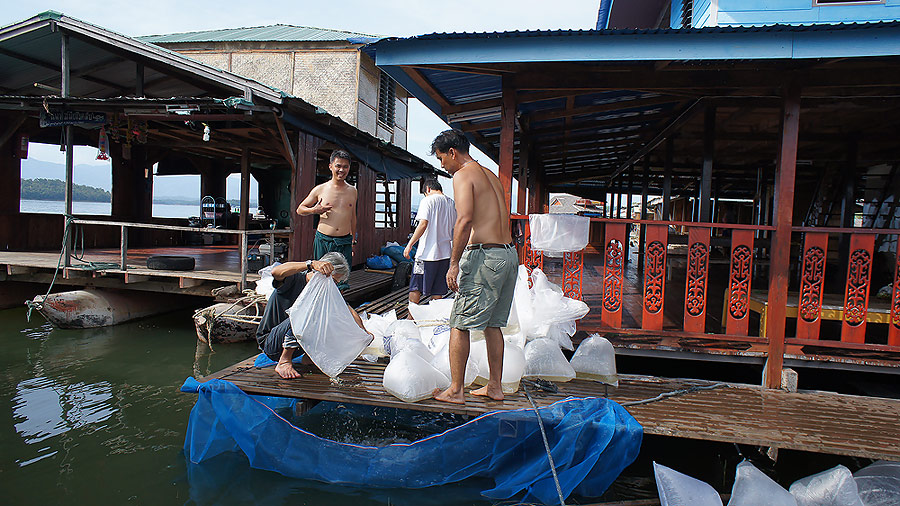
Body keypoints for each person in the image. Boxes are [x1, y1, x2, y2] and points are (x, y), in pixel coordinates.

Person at [430, 129, 518, 405]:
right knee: (493, 325)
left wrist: (453, 263)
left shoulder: (462, 175)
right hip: (508, 255)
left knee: (459, 322)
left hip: (486, 257)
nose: (442, 165)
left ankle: (455, 390)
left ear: (453, 153)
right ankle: (495, 386)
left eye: (442, 158)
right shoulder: (490, 174)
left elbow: (465, 220)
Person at [255, 252, 371, 379]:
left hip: (298, 345)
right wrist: (310, 264)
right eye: (332, 280)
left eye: (336, 282)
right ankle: (284, 361)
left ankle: (309, 357)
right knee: (308, 314)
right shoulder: (295, 279)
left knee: (333, 316)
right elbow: (276, 272)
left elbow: (348, 310)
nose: (333, 284)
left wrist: (363, 334)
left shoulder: (325, 290)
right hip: (272, 343)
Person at [296, 149, 358, 289]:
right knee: (321, 276)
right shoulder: (320, 189)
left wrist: (353, 241)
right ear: (331, 166)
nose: (341, 170)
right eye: (338, 166)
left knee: (342, 280)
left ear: (349, 168)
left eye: (345, 167)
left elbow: (352, 217)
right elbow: (300, 209)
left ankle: (337, 307)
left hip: (344, 241)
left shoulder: (353, 190)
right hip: (324, 239)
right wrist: (314, 210)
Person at [403, 177, 457, 306]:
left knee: (416, 285)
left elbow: (423, 223)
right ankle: (432, 314)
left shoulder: (427, 200)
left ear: (427, 189)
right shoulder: (451, 202)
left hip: (427, 253)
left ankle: (411, 316)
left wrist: (410, 244)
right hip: (445, 253)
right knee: (437, 289)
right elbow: (455, 227)